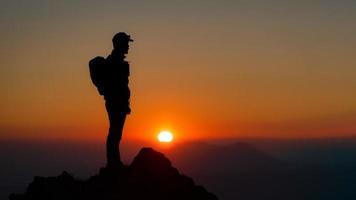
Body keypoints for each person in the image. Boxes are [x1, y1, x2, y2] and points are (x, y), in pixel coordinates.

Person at [89, 32, 133, 167]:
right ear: (119, 44)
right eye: (126, 43)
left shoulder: (117, 61)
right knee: (115, 132)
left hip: (118, 102)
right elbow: (118, 85)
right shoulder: (114, 62)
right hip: (115, 103)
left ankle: (114, 162)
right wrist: (122, 101)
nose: (128, 46)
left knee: (116, 132)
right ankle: (113, 163)